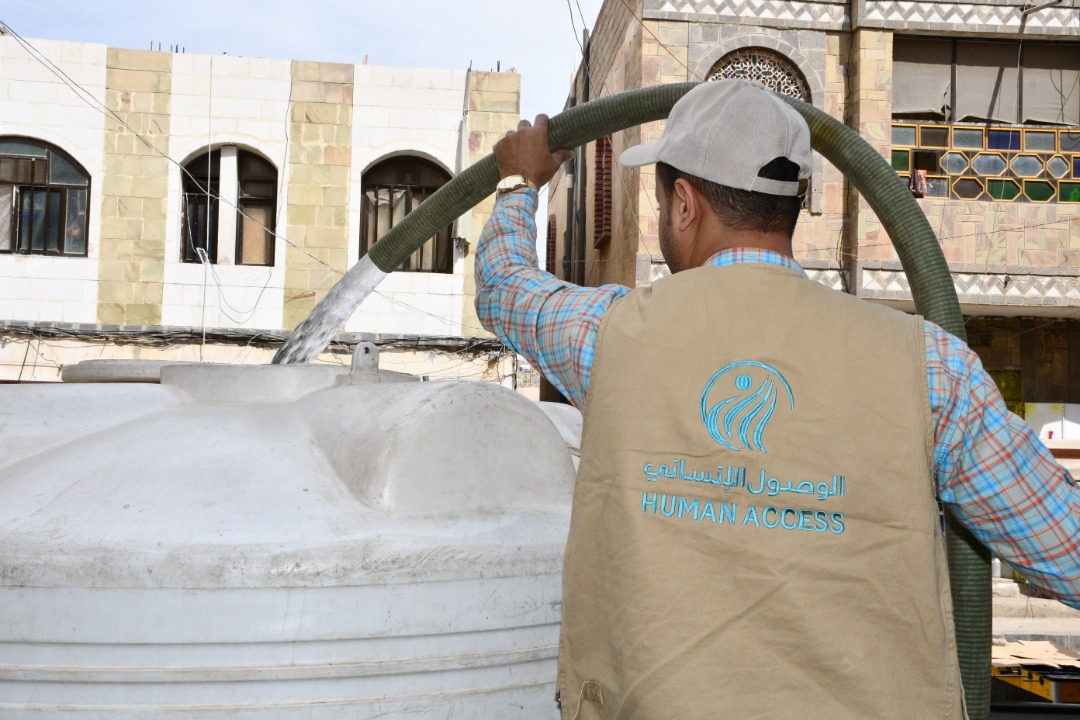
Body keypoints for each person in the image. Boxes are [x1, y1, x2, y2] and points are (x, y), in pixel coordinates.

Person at [475, 80, 1079, 719]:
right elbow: (1067, 548)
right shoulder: (929, 366)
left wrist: (519, 184)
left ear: (684, 204)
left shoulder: (609, 336)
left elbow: (503, 287)